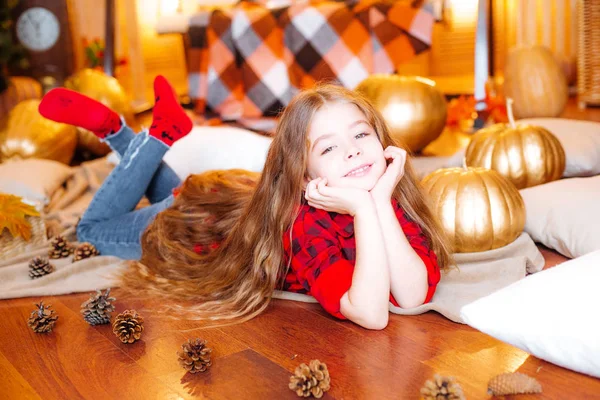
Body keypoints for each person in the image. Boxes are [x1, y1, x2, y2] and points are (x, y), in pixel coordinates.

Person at [39, 77, 452, 330]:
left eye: (361, 136)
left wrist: (377, 201)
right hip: (192, 229)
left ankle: (127, 136)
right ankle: (145, 136)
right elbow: (371, 314)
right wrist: (364, 210)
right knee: (92, 230)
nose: (353, 153)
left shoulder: (385, 194)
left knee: (170, 193)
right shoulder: (304, 226)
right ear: (304, 176)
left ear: (382, 141)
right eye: (329, 148)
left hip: (226, 201)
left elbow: (412, 296)